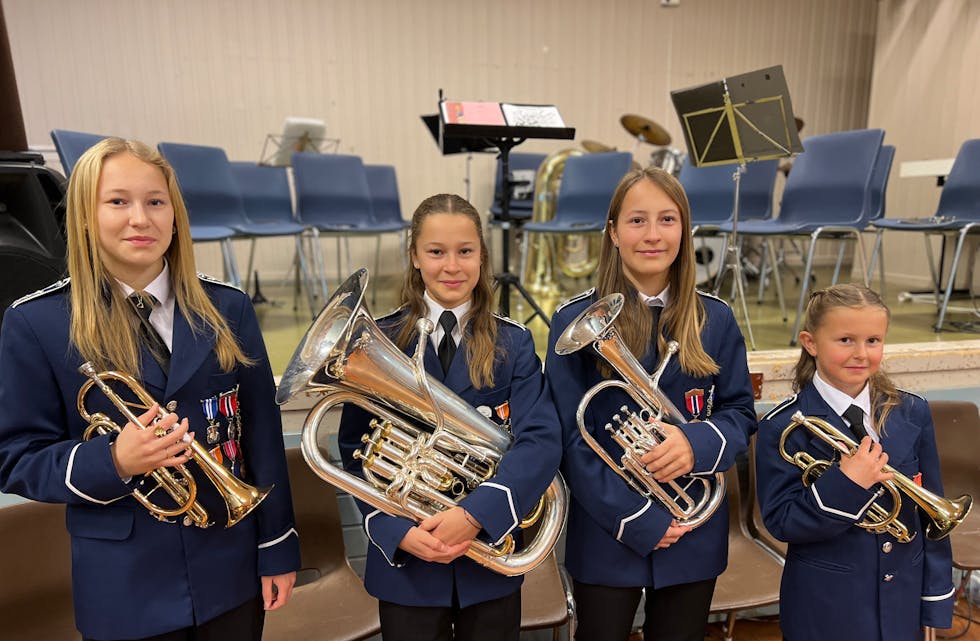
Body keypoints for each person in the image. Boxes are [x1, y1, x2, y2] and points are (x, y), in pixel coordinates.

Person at [0, 138, 299, 641]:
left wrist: (277, 545)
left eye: (155, 202)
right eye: (117, 201)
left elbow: (262, 440)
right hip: (124, 584)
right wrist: (113, 460)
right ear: (86, 217)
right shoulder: (37, 322)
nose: (140, 218)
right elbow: (14, 457)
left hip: (229, 567)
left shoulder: (228, 308)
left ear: (176, 217)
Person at [336, 193, 562, 641]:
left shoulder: (513, 343)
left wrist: (476, 515)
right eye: (436, 252)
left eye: (465, 252)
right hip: (409, 563)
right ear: (415, 257)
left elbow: (539, 441)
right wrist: (394, 530)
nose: (452, 266)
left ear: (482, 256)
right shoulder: (376, 341)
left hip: (489, 552)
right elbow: (354, 450)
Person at [546, 166, 757, 641]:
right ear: (613, 232)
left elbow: (741, 413)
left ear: (684, 231)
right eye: (637, 220)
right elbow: (567, 435)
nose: (653, 234)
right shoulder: (572, 320)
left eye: (667, 220)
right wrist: (635, 517)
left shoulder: (716, 319)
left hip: (693, 527)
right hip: (609, 527)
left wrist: (694, 443)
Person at [755, 283, 954, 641]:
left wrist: (933, 603)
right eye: (845, 340)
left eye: (873, 341)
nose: (861, 353)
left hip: (902, 600)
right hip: (825, 605)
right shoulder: (782, 425)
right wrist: (846, 484)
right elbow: (782, 523)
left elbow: (932, 519)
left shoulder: (911, 411)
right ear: (810, 342)